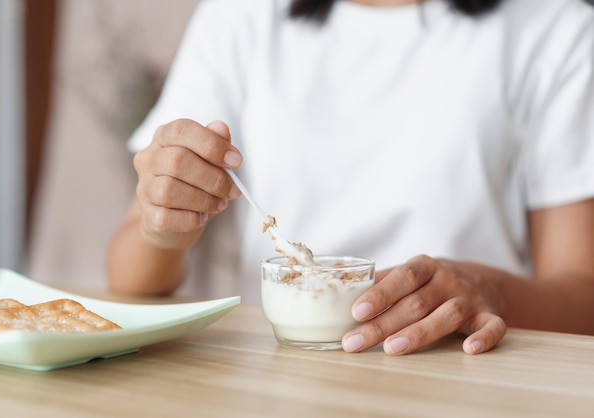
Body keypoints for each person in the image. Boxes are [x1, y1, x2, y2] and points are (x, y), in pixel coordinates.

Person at [107, 0, 594, 356]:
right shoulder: (241, 17)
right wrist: (163, 227)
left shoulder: (554, 26)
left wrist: (491, 290)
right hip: (283, 371)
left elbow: (582, 295)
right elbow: (127, 274)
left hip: (462, 368)